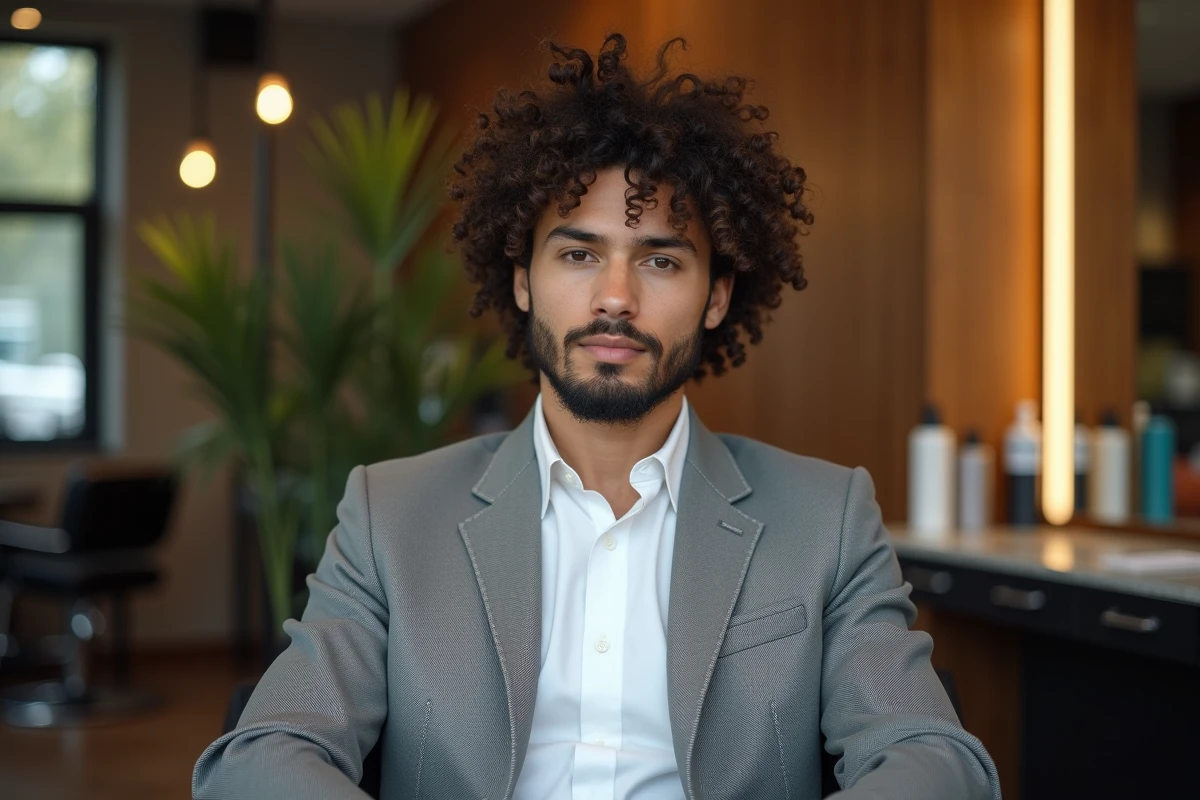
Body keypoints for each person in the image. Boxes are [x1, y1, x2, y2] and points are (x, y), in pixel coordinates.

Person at [193, 33, 1000, 800]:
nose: (616, 297)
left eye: (661, 259)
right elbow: (263, 754)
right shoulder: (391, 516)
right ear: (523, 280)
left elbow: (933, 758)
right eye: (579, 254)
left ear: (717, 296)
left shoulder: (825, 520)